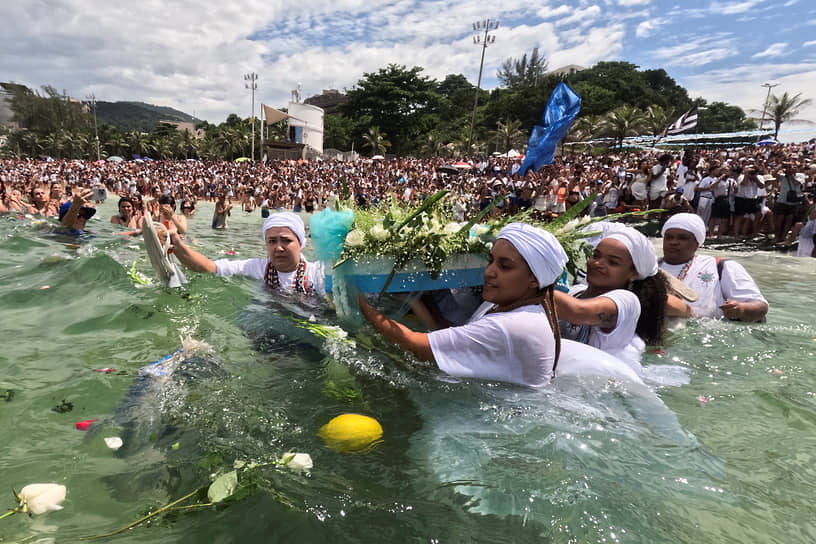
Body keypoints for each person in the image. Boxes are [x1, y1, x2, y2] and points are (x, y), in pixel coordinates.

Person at [358, 223, 567, 388]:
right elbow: (454, 336)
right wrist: (413, 300)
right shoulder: (508, 307)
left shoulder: (512, 325)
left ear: (534, 279)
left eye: (505, 266)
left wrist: (358, 299)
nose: (489, 272)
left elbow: (415, 346)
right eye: (490, 261)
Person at [555, 224, 673, 370]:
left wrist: (532, 285)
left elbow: (577, 312)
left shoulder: (626, 301)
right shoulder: (575, 292)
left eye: (613, 262)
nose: (598, 263)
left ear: (634, 273)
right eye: (596, 255)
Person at [169, 211, 325, 297]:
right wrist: (176, 245)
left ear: (301, 244)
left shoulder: (317, 273)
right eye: (272, 241)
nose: (278, 247)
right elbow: (209, 267)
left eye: (285, 240)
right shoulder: (255, 268)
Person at [660, 213, 768, 322]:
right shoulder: (650, 268)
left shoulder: (721, 267)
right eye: (668, 237)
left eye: (683, 238)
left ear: (697, 243)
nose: (673, 242)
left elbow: (761, 306)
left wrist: (741, 309)